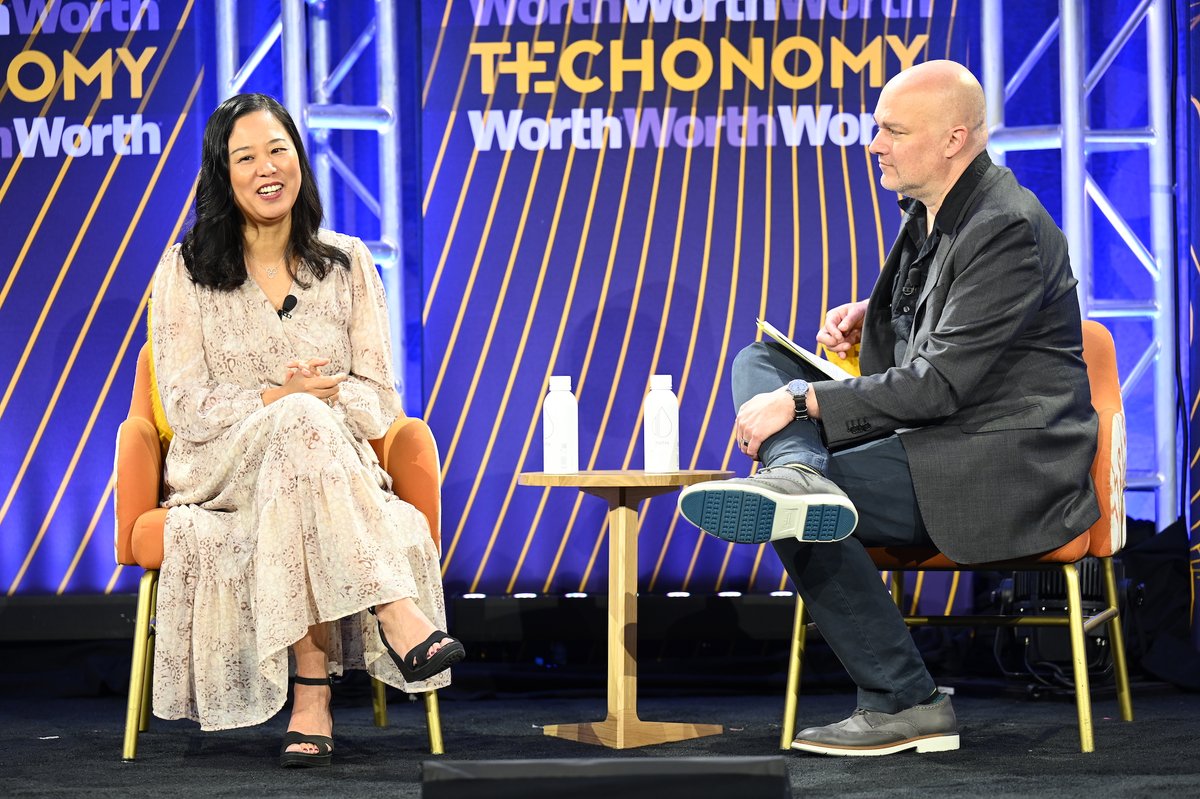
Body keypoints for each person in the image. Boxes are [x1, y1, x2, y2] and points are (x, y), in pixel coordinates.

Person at [678, 60, 1099, 756]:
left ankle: (907, 700)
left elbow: (938, 384)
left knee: (801, 498)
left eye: (892, 130)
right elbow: (948, 326)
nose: (874, 142)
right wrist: (875, 312)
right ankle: (800, 476)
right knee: (758, 363)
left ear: (954, 139)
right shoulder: (935, 208)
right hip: (937, 435)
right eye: (878, 127)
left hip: (1000, 463)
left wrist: (804, 398)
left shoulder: (1005, 226)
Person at [150, 93, 465, 768]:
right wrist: (278, 395)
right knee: (294, 415)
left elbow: (381, 401)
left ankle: (311, 697)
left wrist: (316, 400)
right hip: (224, 468)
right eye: (246, 156)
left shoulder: (348, 264)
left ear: (300, 161)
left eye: (278, 150)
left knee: (303, 424)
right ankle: (394, 609)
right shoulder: (185, 270)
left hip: (330, 462)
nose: (267, 168)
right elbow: (184, 404)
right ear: (222, 173)